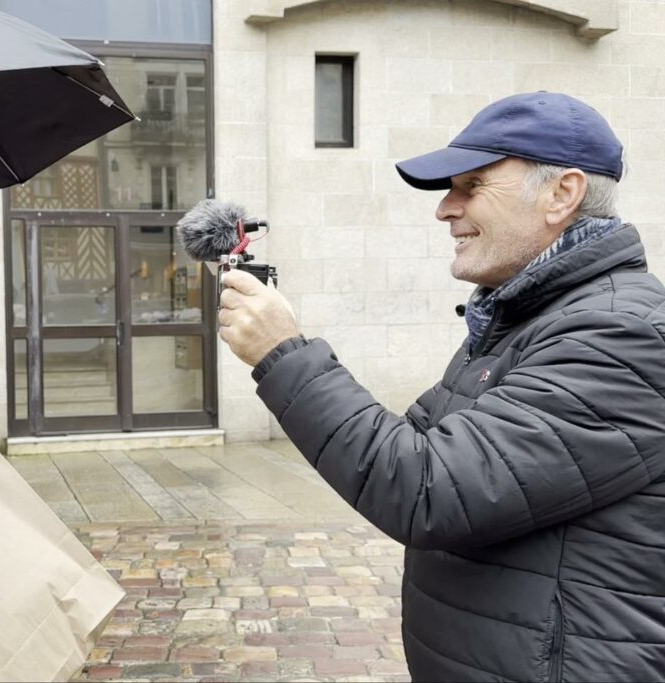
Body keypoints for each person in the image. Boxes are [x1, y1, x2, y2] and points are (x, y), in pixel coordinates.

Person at [217, 92, 665, 681]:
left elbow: (427, 488)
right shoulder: (522, 317)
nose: (445, 209)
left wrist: (283, 354)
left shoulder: (620, 332)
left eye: (472, 185)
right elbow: (415, 447)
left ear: (563, 193)